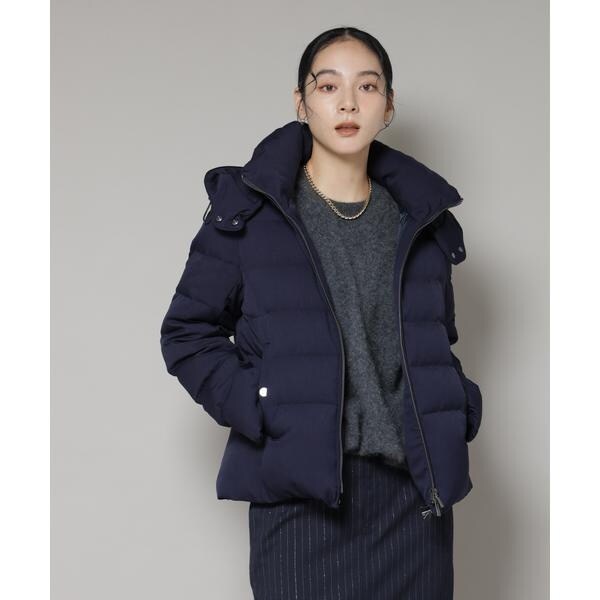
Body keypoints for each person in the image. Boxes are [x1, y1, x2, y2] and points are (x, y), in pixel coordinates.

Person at [160, 26, 482, 600]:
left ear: (388, 106)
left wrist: (457, 408)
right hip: (302, 503)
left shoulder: (421, 222)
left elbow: (435, 341)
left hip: (413, 501)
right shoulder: (250, 214)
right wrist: (263, 404)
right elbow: (187, 332)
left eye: (368, 86)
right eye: (328, 86)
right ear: (301, 102)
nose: (348, 103)